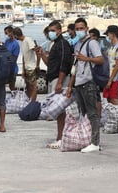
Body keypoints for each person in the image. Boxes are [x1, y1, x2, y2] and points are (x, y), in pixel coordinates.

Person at [67, 17, 103, 153]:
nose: (79, 31)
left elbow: (100, 60)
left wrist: (86, 58)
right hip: (79, 83)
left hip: (89, 82)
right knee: (84, 113)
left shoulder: (92, 43)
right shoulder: (77, 45)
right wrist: (71, 86)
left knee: (93, 113)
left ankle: (95, 142)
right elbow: (75, 68)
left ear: (87, 28)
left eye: (81, 28)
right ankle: (87, 138)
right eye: (77, 29)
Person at [37, 20, 73, 149]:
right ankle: (60, 136)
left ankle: (61, 137)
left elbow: (64, 64)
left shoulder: (63, 44)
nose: (51, 33)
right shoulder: (54, 44)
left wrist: (60, 82)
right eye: (49, 31)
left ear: (59, 31)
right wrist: (41, 55)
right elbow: (50, 64)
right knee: (58, 110)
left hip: (60, 79)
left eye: (53, 31)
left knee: (61, 110)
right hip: (53, 78)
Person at [13, 27, 40, 101]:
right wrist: (23, 70)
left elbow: (37, 52)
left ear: (16, 35)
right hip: (27, 68)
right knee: (28, 86)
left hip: (32, 67)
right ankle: (28, 101)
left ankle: (32, 103)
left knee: (33, 86)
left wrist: (37, 65)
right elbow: (24, 57)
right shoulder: (22, 42)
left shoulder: (28, 40)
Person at [103, 25, 118, 105]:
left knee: (113, 99)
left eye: (108, 34)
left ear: (113, 34)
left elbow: (117, 66)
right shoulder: (111, 47)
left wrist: (110, 81)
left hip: (114, 78)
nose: (107, 37)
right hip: (108, 77)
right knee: (108, 99)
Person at [4, 25, 20, 91]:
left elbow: (14, 59)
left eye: (7, 32)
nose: (7, 35)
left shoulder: (16, 44)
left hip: (12, 69)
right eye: (6, 33)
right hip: (5, 68)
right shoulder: (7, 41)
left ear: (12, 32)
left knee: (12, 87)